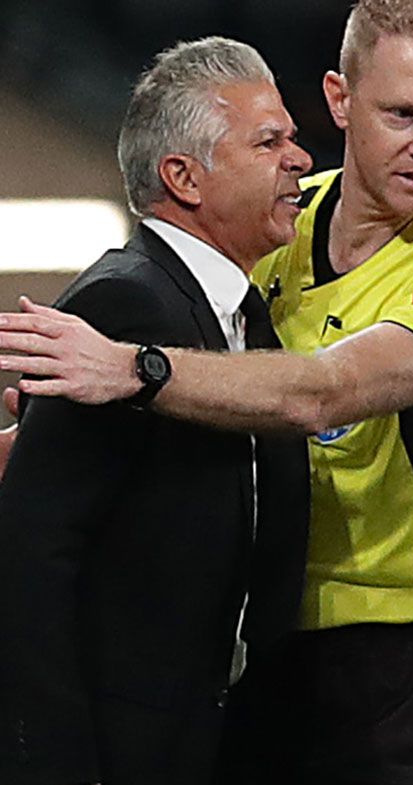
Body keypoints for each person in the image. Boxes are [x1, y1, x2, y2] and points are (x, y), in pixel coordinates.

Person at [0, 1, 413, 782]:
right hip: (257, 652)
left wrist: (138, 371)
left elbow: (324, 391)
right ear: (340, 101)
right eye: (404, 113)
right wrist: (62, 433)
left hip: (404, 670)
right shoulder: (275, 228)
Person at [0, 37, 311, 785]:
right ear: (184, 176)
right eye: (270, 141)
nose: (300, 159)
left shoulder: (245, 315)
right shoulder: (126, 302)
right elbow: (31, 556)